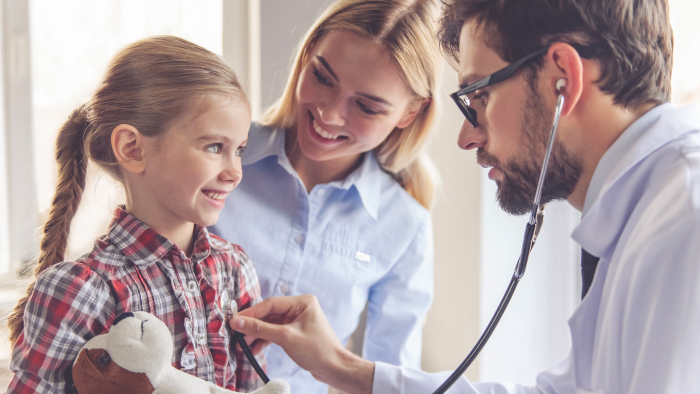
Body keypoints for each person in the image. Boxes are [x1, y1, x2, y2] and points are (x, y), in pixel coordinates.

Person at [228, 0, 700, 393]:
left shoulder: (685, 217)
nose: (466, 138)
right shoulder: (645, 215)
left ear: (563, 79)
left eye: (479, 97)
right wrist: (344, 369)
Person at [6, 36, 263, 393]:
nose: (234, 171)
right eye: (215, 147)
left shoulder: (235, 269)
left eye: (239, 150)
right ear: (132, 149)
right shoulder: (80, 291)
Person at [209, 1, 441, 392]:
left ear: (410, 113)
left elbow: (389, 377)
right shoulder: (218, 155)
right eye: (322, 77)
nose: (330, 114)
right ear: (307, 55)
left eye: (366, 106)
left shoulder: (405, 226)